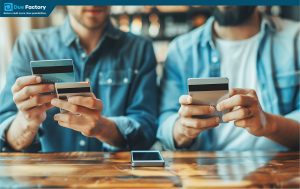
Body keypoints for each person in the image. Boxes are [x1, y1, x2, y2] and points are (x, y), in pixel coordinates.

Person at [0, 6, 158, 152]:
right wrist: (26, 122)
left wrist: (103, 127)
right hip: (44, 178)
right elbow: (5, 135)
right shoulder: (30, 45)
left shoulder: (140, 48)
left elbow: (148, 131)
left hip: (115, 178)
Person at [158, 6, 299, 151]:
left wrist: (268, 124)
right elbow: (164, 127)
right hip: (204, 169)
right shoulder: (180, 50)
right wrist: (182, 129)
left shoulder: (296, 40)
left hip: (279, 167)